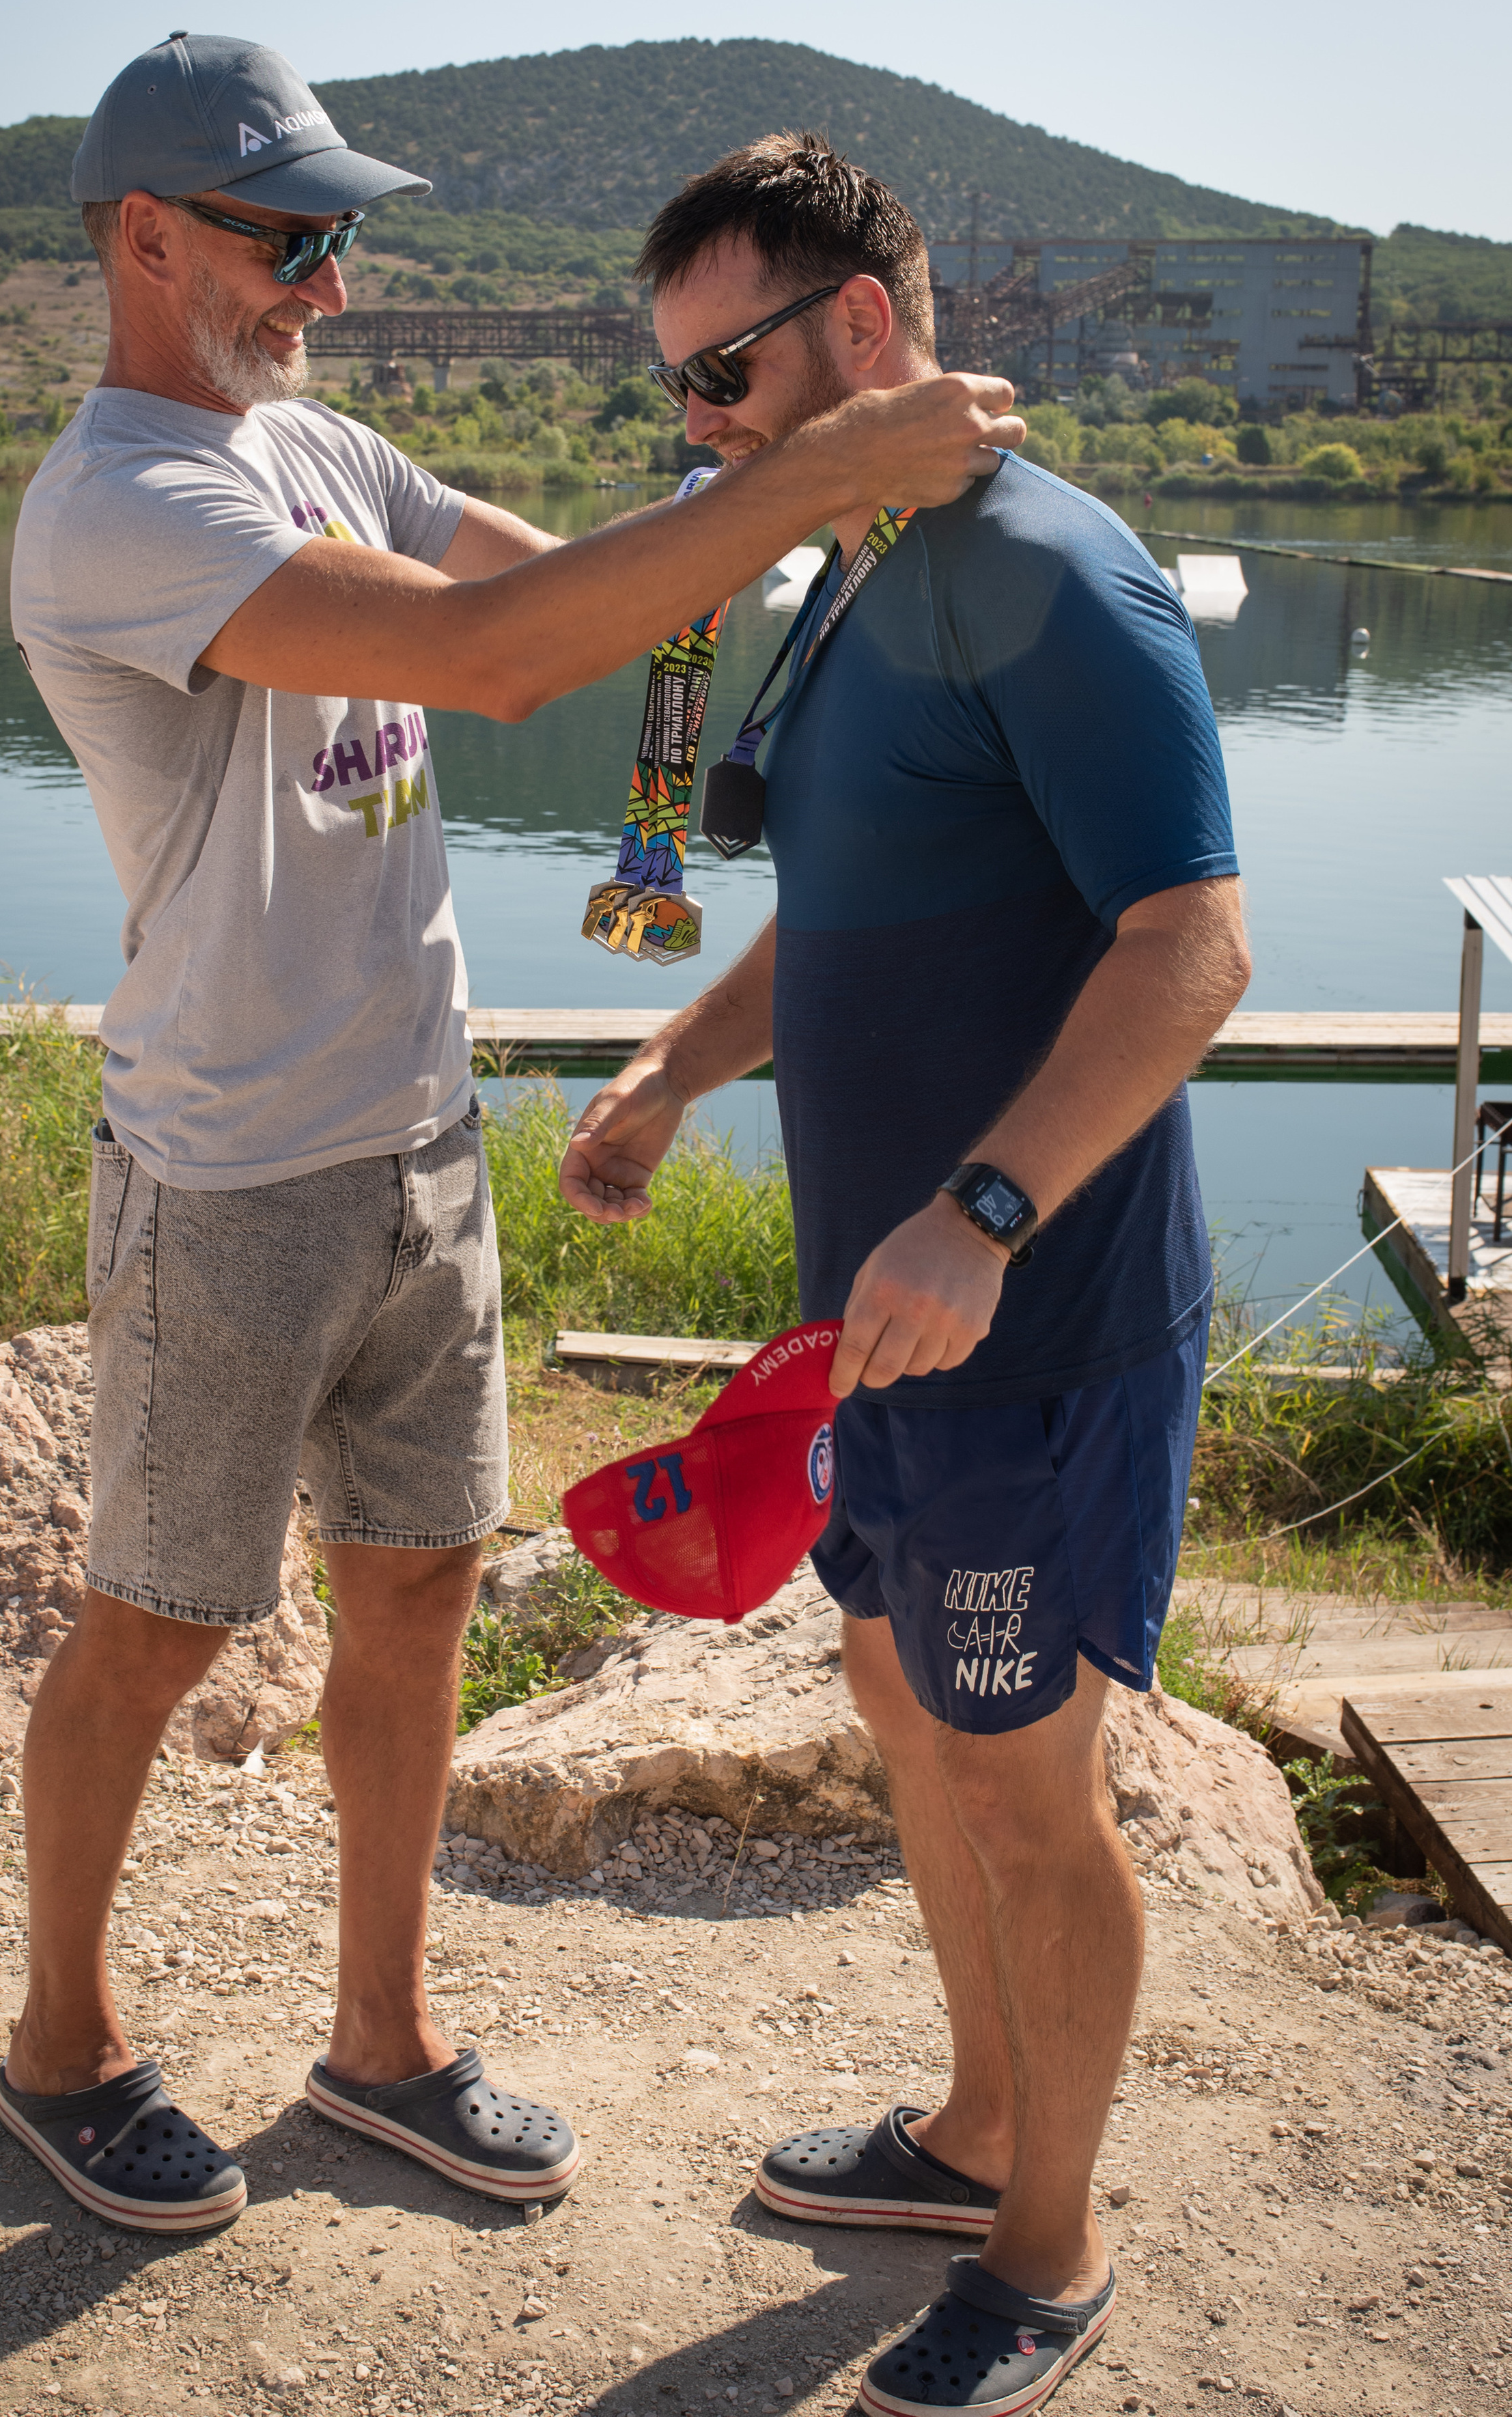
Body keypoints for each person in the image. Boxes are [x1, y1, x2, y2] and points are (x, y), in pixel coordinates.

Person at [0, 38, 1022, 2235]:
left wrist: (803, 511)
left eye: (339, 238)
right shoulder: (118, 505)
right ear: (148, 238)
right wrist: (818, 459)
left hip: (416, 1141)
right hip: (226, 1168)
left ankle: (382, 2048)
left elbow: (579, 598)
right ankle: (57, 2048)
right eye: (292, 240)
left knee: (417, 1592)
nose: (333, 284)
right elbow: (486, 656)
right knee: (156, 1625)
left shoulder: (309, 442)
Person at [560, 133, 1248, 2415]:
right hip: (885, 1335)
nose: (699, 428)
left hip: (1032, 1327)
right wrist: (676, 1065)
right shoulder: (857, 572)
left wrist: (984, 1211)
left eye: (726, 374)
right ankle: (972, 2139)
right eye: (674, 387)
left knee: (1030, 1787)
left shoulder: (1051, 571)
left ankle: (1050, 2251)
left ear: (863, 325)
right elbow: (853, 901)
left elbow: (1193, 946)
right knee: (903, 1704)